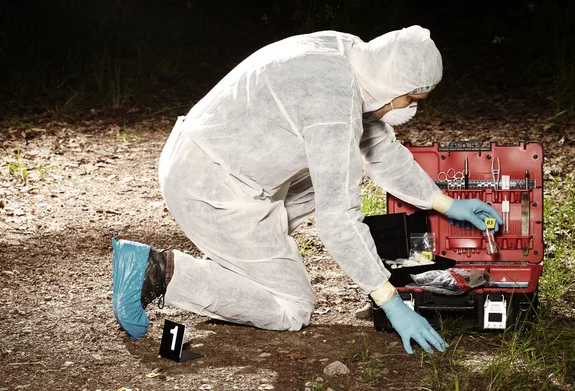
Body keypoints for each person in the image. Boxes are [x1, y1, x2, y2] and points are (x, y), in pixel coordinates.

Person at [111, 26, 503, 355]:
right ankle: (159, 272)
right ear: (394, 84)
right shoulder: (332, 103)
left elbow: (377, 146)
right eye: (413, 99)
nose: (412, 108)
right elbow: (338, 218)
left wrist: (444, 203)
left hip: (207, 159)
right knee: (291, 308)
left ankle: (238, 260)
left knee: (339, 169)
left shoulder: (347, 53)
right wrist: (391, 301)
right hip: (211, 188)